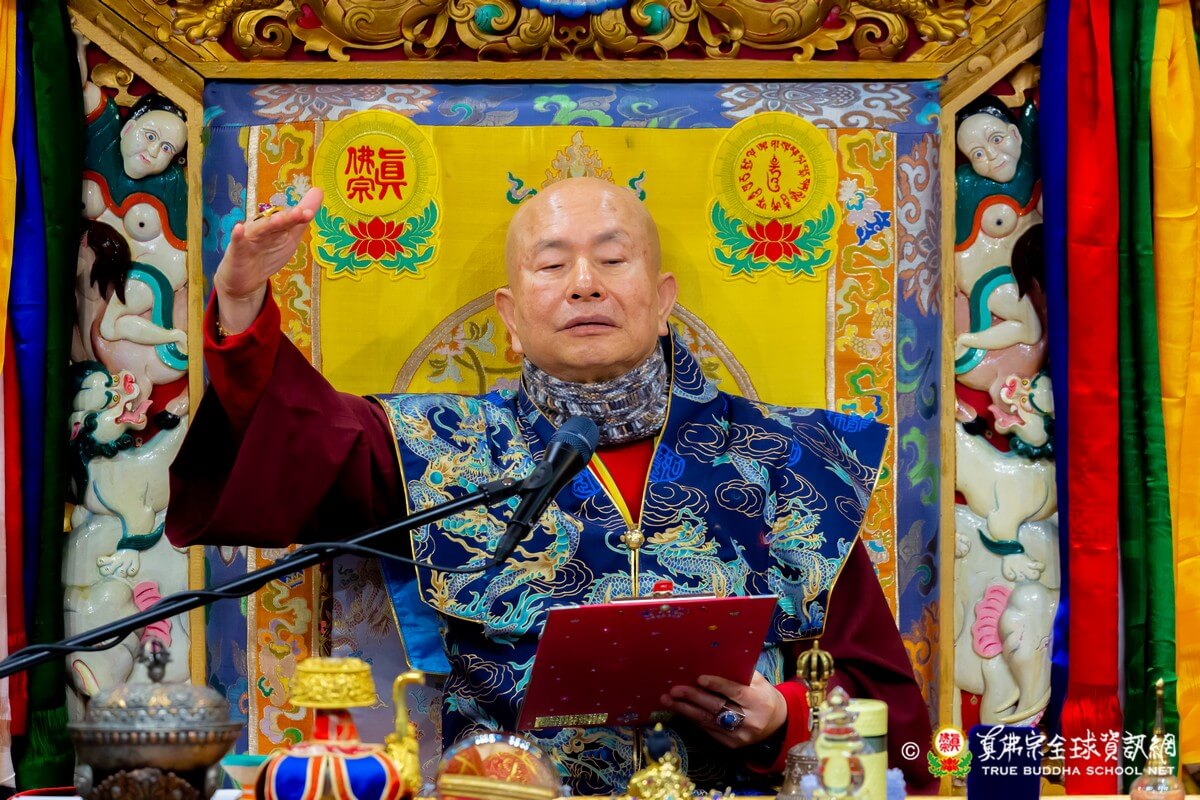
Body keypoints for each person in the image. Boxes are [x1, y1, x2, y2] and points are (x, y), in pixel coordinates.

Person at [166, 177, 934, 794]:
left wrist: (784, 718)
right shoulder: (441, 450)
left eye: (613, 259)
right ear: (508, 316)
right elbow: (298, 439)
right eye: (552, 264)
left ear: (665, 298)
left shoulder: (788, 461)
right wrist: (243, 303)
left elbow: (896, 722)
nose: (584, 285)